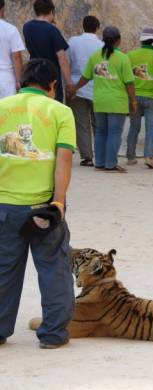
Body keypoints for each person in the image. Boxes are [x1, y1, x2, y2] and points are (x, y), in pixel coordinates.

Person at [0, 58, 76, 349]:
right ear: (52, 85)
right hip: (42, 207)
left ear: (22, 81)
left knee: (3, 269)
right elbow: (64, 159)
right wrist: (58, 201)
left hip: (4, 205)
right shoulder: (60, 112)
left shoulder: (2, 107)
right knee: (53, 267)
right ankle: (54, 334)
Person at [71, 26, 136, 173]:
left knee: (100, 132)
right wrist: (133, 101)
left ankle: (99, 163)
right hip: (117, 102)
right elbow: (129, 83)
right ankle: (111, 164)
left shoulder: (95, 56)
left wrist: (75, 88)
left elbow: (86, 77)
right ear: (118, 40)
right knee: (114, 132)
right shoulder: (123, 58)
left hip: (99, 100)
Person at [126, 27, 153, 169]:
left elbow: (126, 78)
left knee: (134, 127)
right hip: (151, 98)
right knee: (151, 128)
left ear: (142, 41)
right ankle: (149, 157)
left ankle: (130, 157)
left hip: (133, 97)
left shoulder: (130, 55)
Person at [66, 15, 102, 167]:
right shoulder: (102, 45)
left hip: (76, 88)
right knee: (98, 124)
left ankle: (87, 157)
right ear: (97, 28)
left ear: (83, 26)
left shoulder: (73, 42)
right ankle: (100, 155)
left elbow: (66, 63)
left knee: (81, 124)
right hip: (97, 89)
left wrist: (68, 86)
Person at [22, 0, 72, 102]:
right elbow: (62, 59)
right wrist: (69, 83)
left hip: (33, 73)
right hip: (50, 75)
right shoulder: (51, 30)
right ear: (51, 11)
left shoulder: (26, 27)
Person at [0, 0, 25, 99]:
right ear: (2, 9)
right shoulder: (10, 29)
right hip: (6, 79)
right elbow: (16, 57)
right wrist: (20, 80)